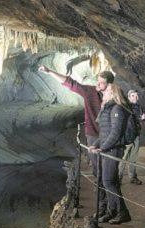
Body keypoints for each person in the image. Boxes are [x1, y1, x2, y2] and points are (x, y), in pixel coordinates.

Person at [38, 65, 114, 212]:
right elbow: (71, 83)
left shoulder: (115, 97)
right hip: (93, 136)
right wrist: (50, 72)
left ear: (109, 84)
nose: (97, 84)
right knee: (98, 171)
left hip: (109, 137)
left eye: (101, 83)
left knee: (109, 173)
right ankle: (103, 204)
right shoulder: (91, 92)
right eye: (97, 81)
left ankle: (110, 204)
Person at [89, 83, 131, 224]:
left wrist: (103, 147)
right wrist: (95, 144)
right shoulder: (109, 108)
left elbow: (115, 133)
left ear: (112, 94)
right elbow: (105, 133)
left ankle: (122, 212)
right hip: (109, 149)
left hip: (114, 149)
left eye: (106, 92)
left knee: (109, 181)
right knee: (108, 181)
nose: (103, 94)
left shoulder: (117, 108)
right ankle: (111, 212)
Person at [119, 90, 145, 185]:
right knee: (123, 158)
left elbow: (137, 121)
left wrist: (142, 118)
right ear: (129, 97)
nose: (136, 97)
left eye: (136, 95)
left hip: (136, 136)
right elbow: (129, 121)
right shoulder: (126, 108)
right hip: (127, 136)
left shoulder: (139, 107)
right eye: (133, 96)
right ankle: (118, 178)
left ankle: (133, 177)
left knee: (133, 158)